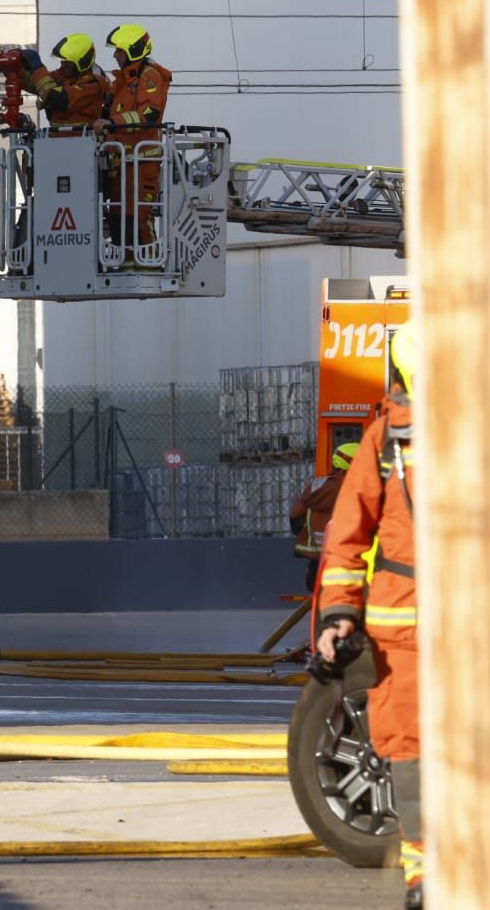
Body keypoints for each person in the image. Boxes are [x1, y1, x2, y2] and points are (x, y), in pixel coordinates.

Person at [317, 325, 423, 908]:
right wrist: (339, 615)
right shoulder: (387, 440)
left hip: (445, 628)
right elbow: (348, 538)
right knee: (408, 751)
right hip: (404, 631)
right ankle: (424, 871)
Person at [92, 23, 172, 258]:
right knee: (117, 218)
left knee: (137, 217)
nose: (115, 55)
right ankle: (127, 262)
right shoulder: (125, 79)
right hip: (121, 162)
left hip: (141, 162)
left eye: (119, 51)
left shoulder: (150, 76)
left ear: (133, 50)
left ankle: (148, 261)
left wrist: (112, 122)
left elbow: (149, 114)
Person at [290, 441, 361, 589]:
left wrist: (302, 533)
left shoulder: (317, 484)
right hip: (343, 553)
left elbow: (295, 513)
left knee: (318, 589)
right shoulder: (353, 487)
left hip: (315, 551)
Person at [26, 33, 110, 135]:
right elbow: (36, 84)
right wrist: (17, 70)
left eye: (68, 62)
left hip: (82, 144)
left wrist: (37, 66)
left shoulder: (94, 84)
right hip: (57, 142)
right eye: (62, 60)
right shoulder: (66, 74)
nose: (63, 64)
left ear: (82, 62)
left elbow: (55, 98)